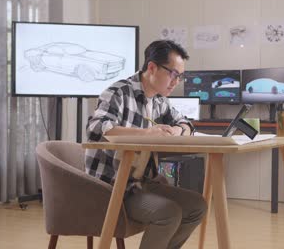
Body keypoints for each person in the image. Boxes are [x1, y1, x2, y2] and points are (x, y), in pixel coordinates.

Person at [85, 40, 207, 249]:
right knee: (169, 212)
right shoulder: (119, 93)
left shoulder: (159, 100)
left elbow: (186, 122)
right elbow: (97, 128)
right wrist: (147, 133)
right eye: (173, 74)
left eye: (180, 76)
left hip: (144, 183)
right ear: (152, 68)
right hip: (113, 187)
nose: (176, 81)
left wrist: (177, 130)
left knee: (198, 206)